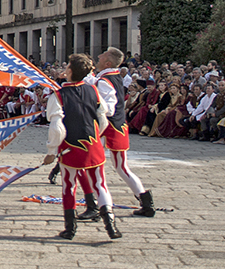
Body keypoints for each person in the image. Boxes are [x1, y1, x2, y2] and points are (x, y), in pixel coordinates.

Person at [43, 54, 121, 241]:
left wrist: (51, 152)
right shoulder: (93, 90)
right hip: (93, 145)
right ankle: (111, 226)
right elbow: (103, 119)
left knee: (69, 186)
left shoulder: (58, 95)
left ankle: (70, 229)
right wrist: (95, 137)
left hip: (70, 147)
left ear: (69, 71)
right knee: (100, 184)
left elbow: (57, 128)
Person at [90, 48, 154, 218]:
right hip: (118, 126)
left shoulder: (105, 80)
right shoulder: (112, 76)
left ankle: (100, 205)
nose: (98, 57)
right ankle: (145, 201)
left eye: (101, 56)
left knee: (97, 166)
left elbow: (108, 108)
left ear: (107, 63)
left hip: (108, 128)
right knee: (121, 167)